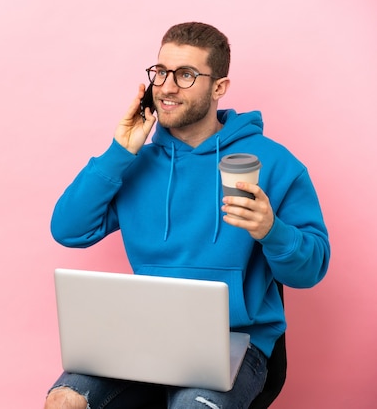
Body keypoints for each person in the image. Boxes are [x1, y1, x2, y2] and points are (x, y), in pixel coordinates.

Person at [45, 22, 330, 409]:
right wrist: (119, 152)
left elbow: (310, 271)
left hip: (234, 341)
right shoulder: (136, 163)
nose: (165, 87)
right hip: (142, 333)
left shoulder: (275, 163)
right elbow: (68, 230)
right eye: (160, 72)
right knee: (65, 401)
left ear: (219, 88)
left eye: (185, 75)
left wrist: (271, 231)